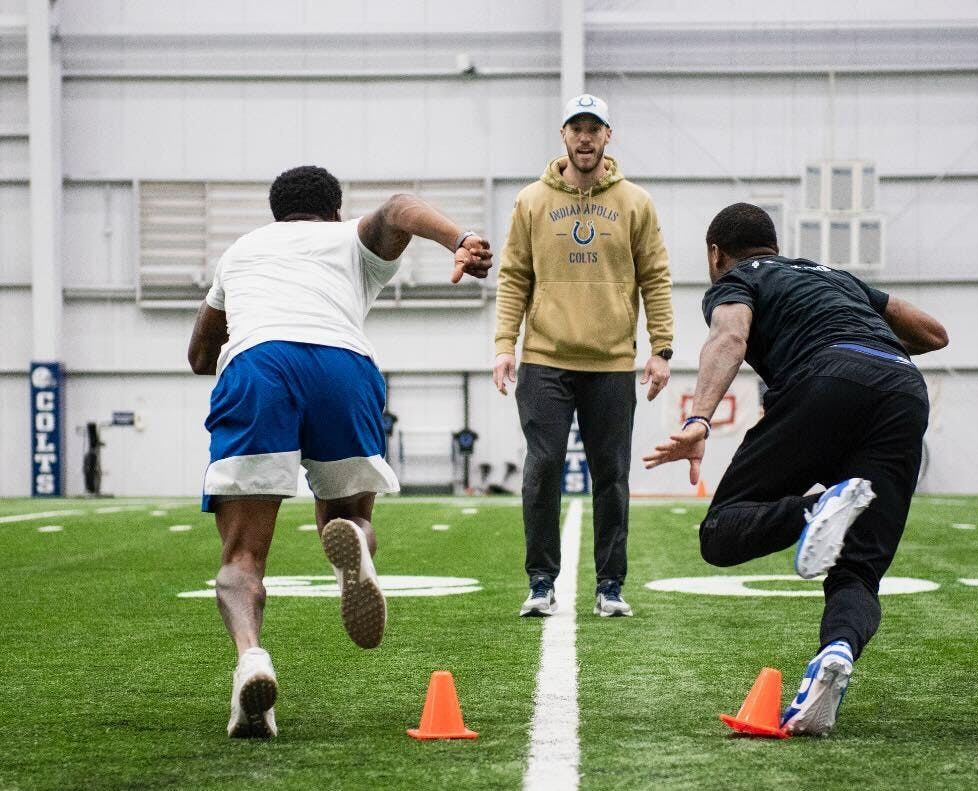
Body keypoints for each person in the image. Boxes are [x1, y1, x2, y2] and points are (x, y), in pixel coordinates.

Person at [187, 165, 492, 738]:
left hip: (258, 365)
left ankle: (251, 657)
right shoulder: (348, 238)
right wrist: (460, 241)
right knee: (351, 514)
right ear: (334, 210)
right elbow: (400, 205)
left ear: (276, 213)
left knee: (241, 558)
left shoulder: (243, 249)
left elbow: (201, 353)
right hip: (343, 366)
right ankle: (353, 542)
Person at [643, 202, 947, 736]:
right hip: (902, 389)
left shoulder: (738, 279)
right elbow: (934, 333)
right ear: (776, 245)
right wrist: (868, 341)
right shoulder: (836, 278)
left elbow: (731, 336)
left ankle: (818, 508)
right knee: (858, 571)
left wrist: (698, 420)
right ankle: (835, 656)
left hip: (826, 378)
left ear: (715, 255)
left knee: (720, 533)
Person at [492, 94, 674, 618]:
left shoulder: (635, 202)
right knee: (543, 466)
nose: (586, 137)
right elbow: (514, 278)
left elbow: (656, 278)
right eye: (577, 128)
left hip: (612, 361)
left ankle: (610, 587)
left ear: (607, 137)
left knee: (611, 475)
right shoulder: (531, 201)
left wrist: (661, 349)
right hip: (545, 358)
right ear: (564, 135)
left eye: (595, 129)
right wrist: (505, 345)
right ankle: (541, 582)